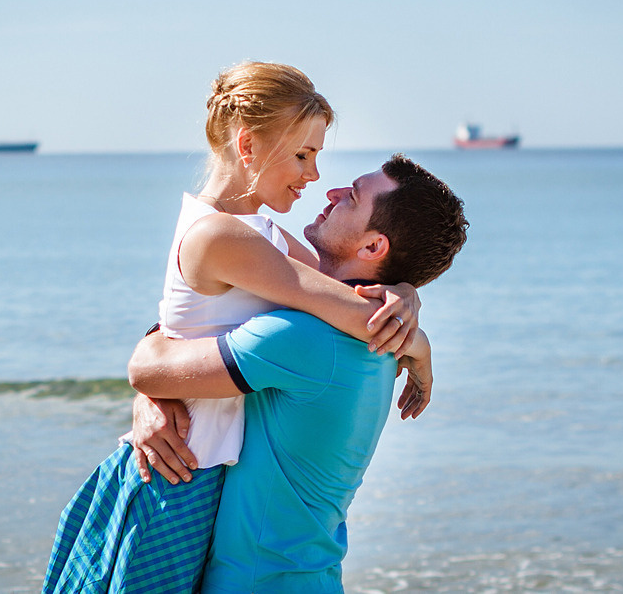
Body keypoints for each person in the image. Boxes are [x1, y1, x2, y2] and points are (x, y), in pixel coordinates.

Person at [43, 63, 430, 594]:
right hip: (175, 475)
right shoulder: (223, 237)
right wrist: (415, 334)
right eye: (303, 155)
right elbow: (348, 307)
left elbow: (335, 288)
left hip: (202, 472)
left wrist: (406, 293)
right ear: (248, 147)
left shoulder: (263, 234)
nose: (314, 176)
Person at [127, 154, 468, 593]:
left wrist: (152, 392)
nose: (331, 193)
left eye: (352, 197)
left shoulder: (305, 338)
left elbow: (147, 369)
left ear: (372, 248)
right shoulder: (370, 338)